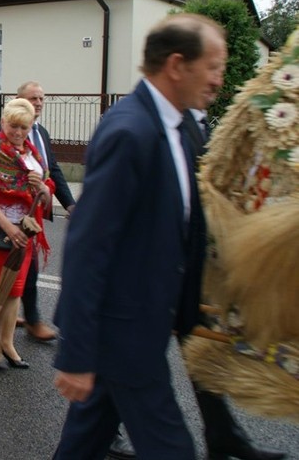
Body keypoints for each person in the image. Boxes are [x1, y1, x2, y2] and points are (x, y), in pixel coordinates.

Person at [52, 14, 225, 459]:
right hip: (123, 334)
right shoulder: (130, 131)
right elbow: (88, 246)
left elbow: (183, 228)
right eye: (213, 65)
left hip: (145, 325)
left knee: (81, 445)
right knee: (172, 449)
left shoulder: (182, 129)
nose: (219, 79)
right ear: (176, 65)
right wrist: (75, 353)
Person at [107, 105, 286, 460]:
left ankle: (223, 435)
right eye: (212, 66)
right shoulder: (158, 122)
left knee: (198, 351)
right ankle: (104, 428)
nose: (217, 77)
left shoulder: (198, 125)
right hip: (152, 270)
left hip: (186, 266)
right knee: (132, 362)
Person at [0, 97, 52, 370]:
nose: (18, 134)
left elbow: (46, 186)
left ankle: (7, 343)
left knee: (17, 288)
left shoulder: (32, 152)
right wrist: (9, 227)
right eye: (13, 127)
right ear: (3, 122)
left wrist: (42, 187)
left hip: (26, 226)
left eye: (24, 128)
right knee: (2, 287)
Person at [15, 81, 76, 341]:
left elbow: (54, 169)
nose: (38, 103)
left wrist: (70, 203)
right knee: (27, 267)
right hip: (15, 210)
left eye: (41, 98)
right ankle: (32, 321)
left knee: (18, 268)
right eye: (33, 98)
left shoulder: (41, 133)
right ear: (19, 100)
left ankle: (4, 318)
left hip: (35, 210)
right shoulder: (8, 129)